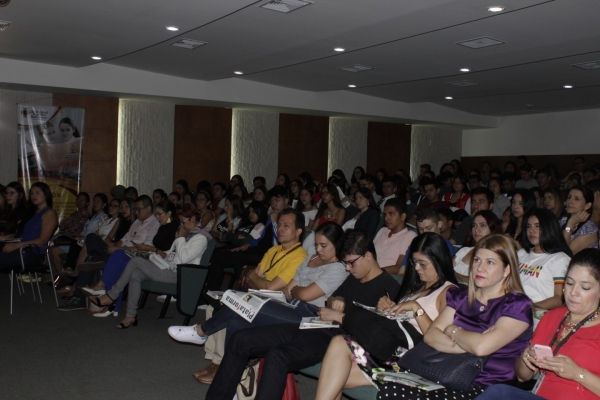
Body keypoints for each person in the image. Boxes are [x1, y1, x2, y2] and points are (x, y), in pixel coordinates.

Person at [202, 228, 401, 400]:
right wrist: (335, 300)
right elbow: (333, 299)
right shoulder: (355, 277)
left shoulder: (388, 289)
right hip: (316, 325)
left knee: (278, 355)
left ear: (368, 256)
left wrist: (340, 316)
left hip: (339, 343)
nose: (348, 268)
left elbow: (377, 335)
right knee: (240, 339)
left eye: (351, 263)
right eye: (346, 263)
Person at [173, 222, 347, 382]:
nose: (318, 249)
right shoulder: (312, 259)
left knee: (244, 303)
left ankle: (201, 331)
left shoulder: (338, 268)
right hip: (290, 306)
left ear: (337, 244)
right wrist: (294, 292)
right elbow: (288, 291)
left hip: (309, 315)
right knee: (236, 321)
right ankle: (229, 382)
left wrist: (295, 291)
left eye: (324, 246)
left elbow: (305, 295)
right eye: (316, 244)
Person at [378, 234, 533, 399]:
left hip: (487, 386)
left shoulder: (517, 305)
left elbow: (481, 348)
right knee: (389, 390)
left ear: (507, 270)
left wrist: (452, 330)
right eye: (477, 260)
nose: (480, 268)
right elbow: (431, 335)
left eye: (490, 262)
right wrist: (469, 345)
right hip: (448, 372)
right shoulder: (461, 296)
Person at [314, 233, 459, 399]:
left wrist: (418, 310)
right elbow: (400, 321)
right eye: (414, 262)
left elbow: (437, 338)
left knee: (338, 355)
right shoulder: (417, 287)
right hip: (391, 348)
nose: (417, 268)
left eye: (423, 263)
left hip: (411, 357)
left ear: (439, 260)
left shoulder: (449, 292)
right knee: (336, 369)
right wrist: (388, 306)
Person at [477, 248, 600, 400]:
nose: (573, 292)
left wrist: (578, 374)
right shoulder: (552, 317)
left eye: (585, 287)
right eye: (569, 283)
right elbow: (523, 376)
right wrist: (526, 358)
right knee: (497, 392)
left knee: (498, 393)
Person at [168, 208, 308, 341]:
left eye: (287, 226)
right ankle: (215, 360)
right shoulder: (274, 250)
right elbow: (254, 278)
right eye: (279, 225)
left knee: (232, 307)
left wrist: (255, 278)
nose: (281, 229)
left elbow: (269, 286)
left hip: (276, 303)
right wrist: (258, 279)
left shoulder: (299, 256)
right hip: (258, 294)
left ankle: (200, 331)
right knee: (215, 307)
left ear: (298, 231)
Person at [90, 203, 208, 328]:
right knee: (135, 274)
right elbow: (174, 254)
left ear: (193, 219)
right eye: (180, 221)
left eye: (183, 221)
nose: (181, 225)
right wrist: (163, 254)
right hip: (169, 267)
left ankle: (112, 295)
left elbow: (184, 258)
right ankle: (131, 315)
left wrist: (180, 239)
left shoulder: (200, 238)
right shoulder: (186, 235)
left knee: (135, 261)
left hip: (181, 274)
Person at [61, 200, 177, 311]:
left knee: (98, 257)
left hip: (132, 255)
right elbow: (123, 239)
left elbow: (146, 248)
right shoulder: (139, 222)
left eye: (138, 209)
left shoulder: (158, 225)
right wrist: (114, 247)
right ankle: (97, 261)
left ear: (148, 209)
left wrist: (119, 248)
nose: (135, 212)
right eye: (135, 209)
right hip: (122, 250)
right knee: (91, 239)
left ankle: (86, 291)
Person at [518, 209, 572, 313]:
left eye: (537, 226)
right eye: (529, 226)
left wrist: (529, 308)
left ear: (549, 228)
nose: (531, 231)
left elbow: (559, 298)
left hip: (537, 315)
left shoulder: (560, 259)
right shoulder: (521, 254)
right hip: (513, 309)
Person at [0, 182, 58, 273]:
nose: (33, 196)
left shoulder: (49, 213)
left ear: (46, 195)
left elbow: (43, 240)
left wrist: (16, 245)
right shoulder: (31, 213)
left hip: (33, 252)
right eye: (31, 193)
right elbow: (20, 234)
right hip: (22, 249)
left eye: (37, 192)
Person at [454, 211, 502, 282]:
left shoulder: (497, 255)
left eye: (483, 225)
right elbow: (446, 273)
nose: (476, 230)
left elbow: (479, 282)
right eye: (474, 226)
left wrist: (455, 274)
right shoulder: (464, 250)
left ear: (493, 228)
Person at [373, 198, 417, 275]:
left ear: (403, 216)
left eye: (391, 214)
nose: (386, 218)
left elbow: (399, 268)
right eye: (385, 214)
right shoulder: (382, 230)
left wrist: (373, 271)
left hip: (386, 277)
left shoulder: (409, 236)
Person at [561, 185, 598, 253]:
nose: (570, 201)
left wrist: (570, 224)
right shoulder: (562, 220)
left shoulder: (590, 229)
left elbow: (565, 253)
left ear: (587, 205)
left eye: (576, 199)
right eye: (569, 197)